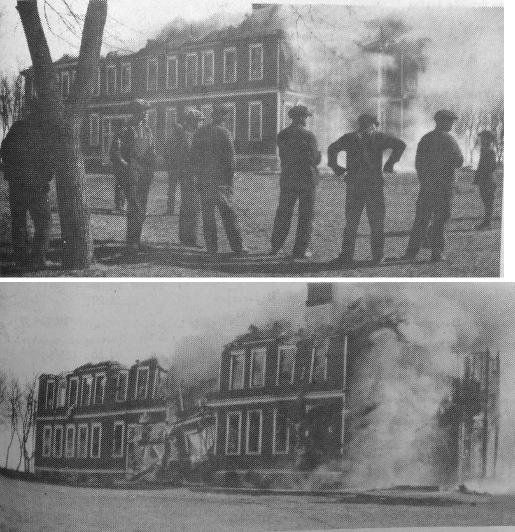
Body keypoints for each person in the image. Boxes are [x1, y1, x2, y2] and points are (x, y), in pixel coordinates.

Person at [327, 113, 406, 266]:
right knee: (377, 222)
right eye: (375, 125)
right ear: (372, 124)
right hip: (374, 185)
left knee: (351, 222)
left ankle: (346, 256)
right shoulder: (379, 137)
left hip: (354, 185)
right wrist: (390, 164)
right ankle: (378, 257)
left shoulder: (349, 137)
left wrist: (336, 168)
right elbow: (401, 145)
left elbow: (332, 149)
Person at [403, 109, 464, 262]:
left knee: (421, 219)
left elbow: (418, 164)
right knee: (440, 220)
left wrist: (424, 181)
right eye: (450, 121)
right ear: (441, 121)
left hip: (427, 187)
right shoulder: (449, 140)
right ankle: (437, 252)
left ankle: (411, 253)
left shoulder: (426, 138)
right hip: (444, 188)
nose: (451, 124)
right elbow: (459, 161)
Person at [190, 103, 248, 257]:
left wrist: (198, 177)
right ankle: (238, 246)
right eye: (224, 115)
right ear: (223, 116)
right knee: (229, 214)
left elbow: (193, 158)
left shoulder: (200, 132)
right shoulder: (225, 133)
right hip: (221, 183)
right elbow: (231, 161)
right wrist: (229, 181)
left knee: (208, 216)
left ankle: (211, 248)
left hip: (204, 181)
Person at [0, 102, 54, 268]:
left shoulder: (17, 127)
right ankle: (37, 258)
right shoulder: (45, 131)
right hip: (36, 185)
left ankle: (21, 258)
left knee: (19, 221)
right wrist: (46, 175)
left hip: (17, 184)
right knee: (44, 222)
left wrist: (12, 170)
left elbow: (4, 149)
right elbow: (50, 157)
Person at [270, 104, 321, 259]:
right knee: (306, 216)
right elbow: (315, 159)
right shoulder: (309, 136)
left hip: (288, 179)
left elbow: (283, 157)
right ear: (300, 117)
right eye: (305, 117)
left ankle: (276, 247)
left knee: (283, 213)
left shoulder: (282, 135)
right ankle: (300, 250)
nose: (306, 119)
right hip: (306, 180)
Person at [110, 99, 157, 256]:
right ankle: (131, 243)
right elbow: (115, 153)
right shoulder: (124, 129)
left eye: (145, 111)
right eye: (142, 111)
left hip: (144, 175)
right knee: (135, 208)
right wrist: (127, 167)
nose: (144, 114)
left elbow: (151, 150)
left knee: (141, 210)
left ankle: (136, 241)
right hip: (130, 175)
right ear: (135, 112)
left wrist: (153, 161)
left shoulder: (147, 130)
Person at [164, 110, 203, 246]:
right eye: (198, 121)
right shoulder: (187, 136)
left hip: (186, 174)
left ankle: (185, 237)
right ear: (192, 122)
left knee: (187, 206)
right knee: (193, 206)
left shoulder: (182, 135)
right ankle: (190, 238)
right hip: (190, 175)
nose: (200, 124)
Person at [474, 130, 497, 230]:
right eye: (481, 137)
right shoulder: (484, 150)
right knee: (486, 202)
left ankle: (487, 224)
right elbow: (481, 166)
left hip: (488, 180)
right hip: (485, 180)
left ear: (489, 139)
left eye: (483, 137)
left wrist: (482, 174)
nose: (481, 139)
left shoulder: (489, 151)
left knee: (488, 203)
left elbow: (492, 167)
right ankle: (486, 222)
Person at [111, 121, 127, 212]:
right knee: (120, 185)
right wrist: (124, 163)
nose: (124, 130)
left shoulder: (122, 138)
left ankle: (121, 204)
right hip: (119, 166)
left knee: (122, 185)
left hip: (122, 165)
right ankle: (119, 205)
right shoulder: (117, 138)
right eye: (122, 128)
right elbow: (115, 154)